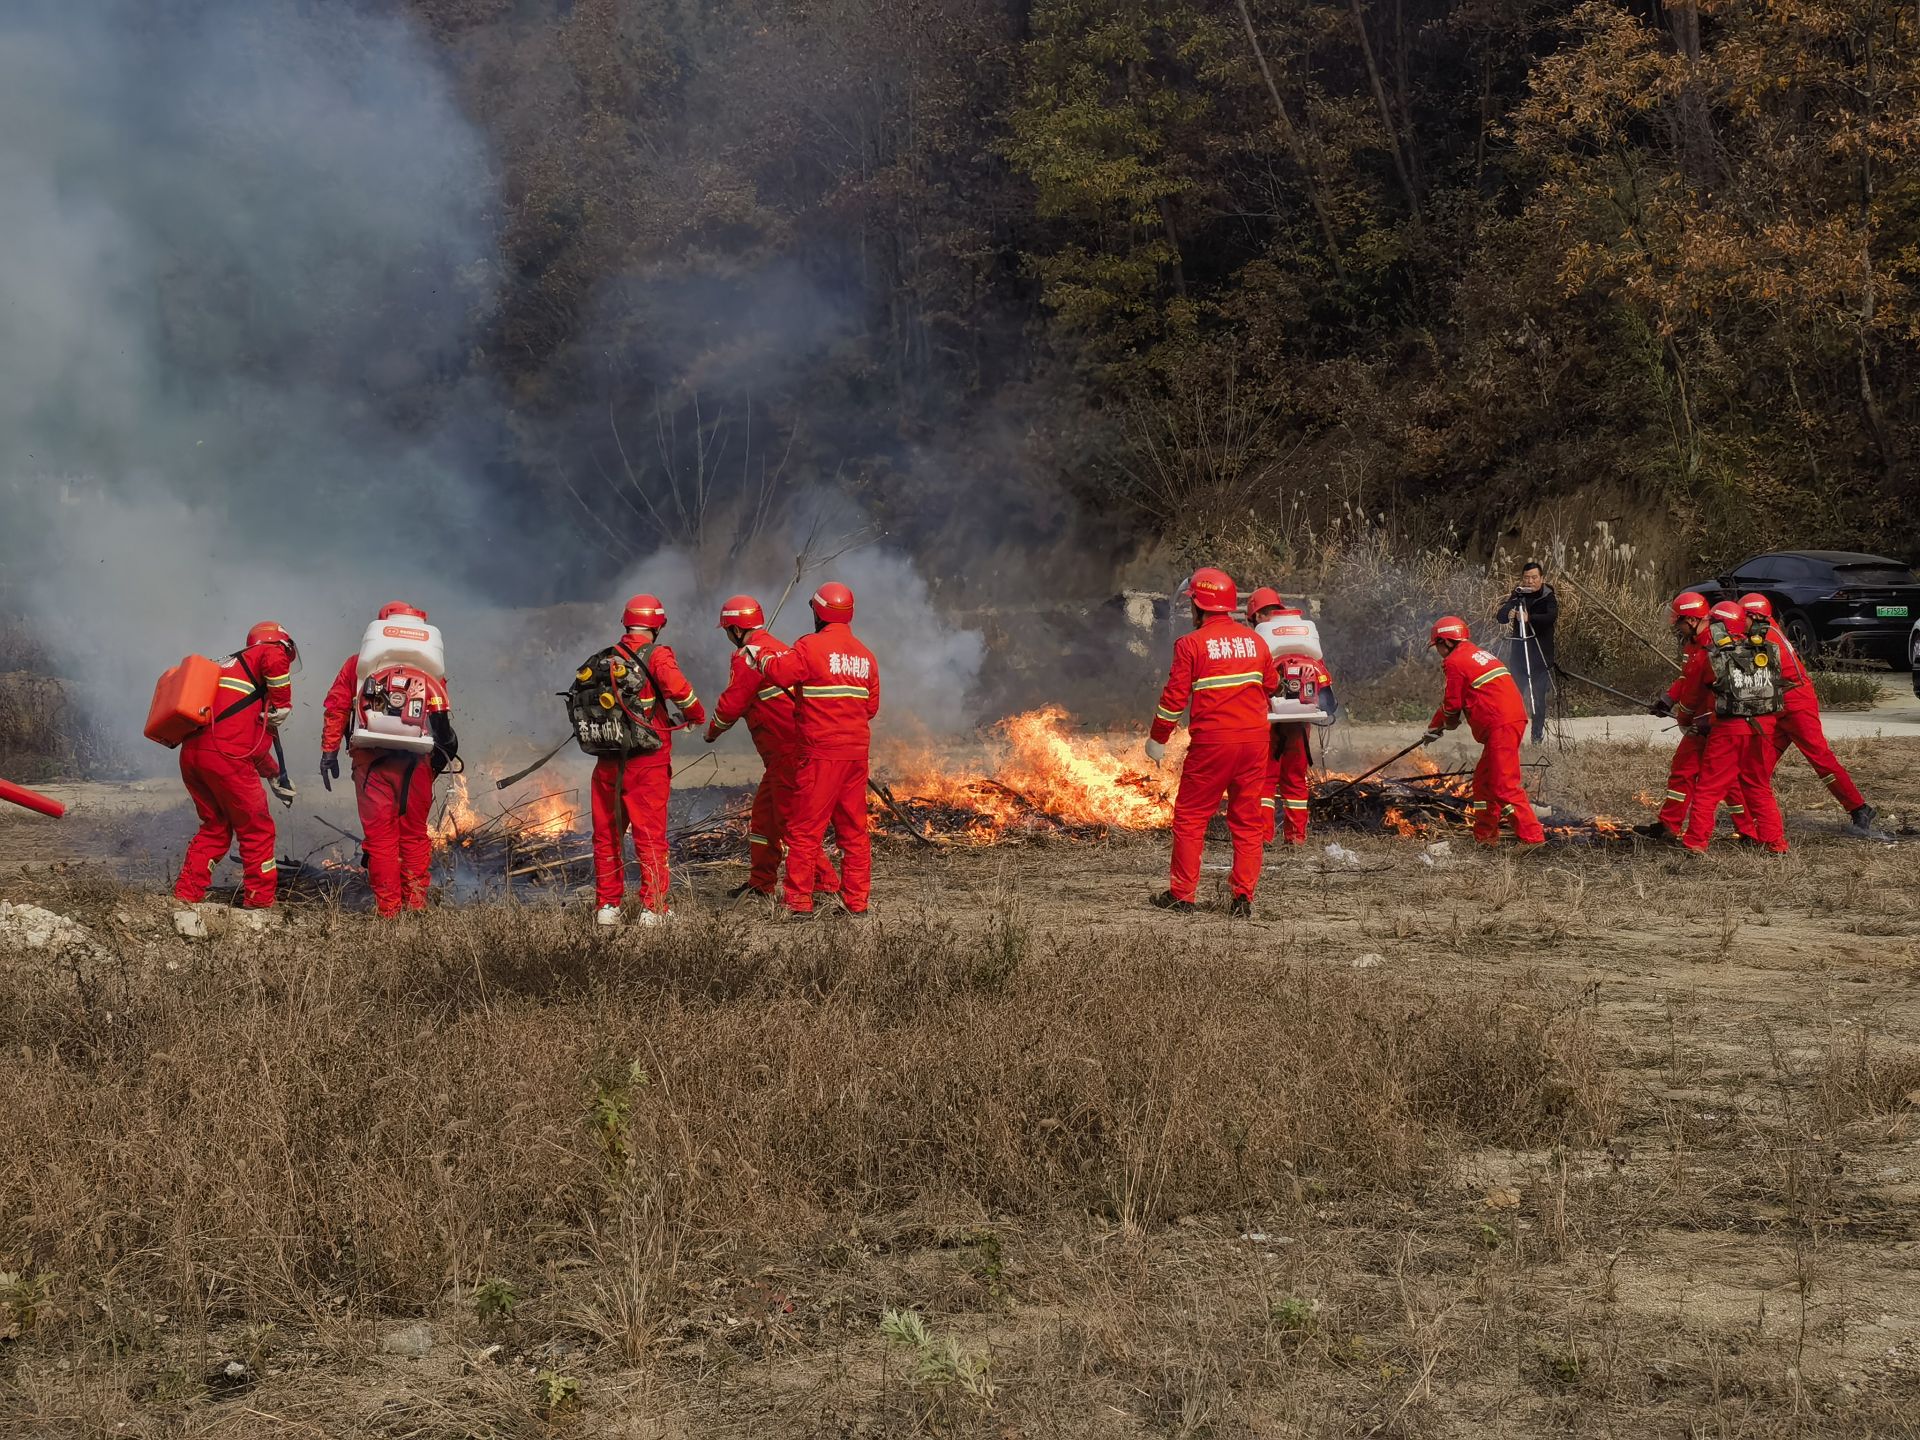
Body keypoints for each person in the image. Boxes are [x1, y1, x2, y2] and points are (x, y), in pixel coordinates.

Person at [1145, 568, 1279, 916]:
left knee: (1191, 817)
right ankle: (1243, 899)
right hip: (1254, 743)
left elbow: (1173, 699)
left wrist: (1157, 739)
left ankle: (1182, 896)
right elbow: (1272, 684)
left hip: (1213, 745)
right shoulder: (1257, 642)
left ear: (1199, 606)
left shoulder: (1190, 644)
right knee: (1248, 821)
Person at [320, 602, 459, 917]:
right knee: (413, 835)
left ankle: (389, 912)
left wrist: (329, 750)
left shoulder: (357, 665)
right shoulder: (430, 669)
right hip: (417, 763)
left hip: (370, 760)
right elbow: (441, 718)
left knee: (380, 838)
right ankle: (415, 907)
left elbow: (337, 707)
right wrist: (441, 757)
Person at [754, 582, 878, 919]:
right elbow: (871, 709)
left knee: (804, 829)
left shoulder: (809, 647)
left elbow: (780, 672)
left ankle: (798, 903)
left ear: (818, 611)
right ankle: (856, 903)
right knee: (853, 831)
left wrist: (760, 656)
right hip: (855, 755)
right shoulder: (866, 656)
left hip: (820, 754)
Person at [706, 594, 841, 903]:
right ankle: (761, 882)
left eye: (727, 629)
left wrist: (711, 732)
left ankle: (826, 885)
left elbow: (732, 703)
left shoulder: (748, 656)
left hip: (787, 753)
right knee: (764, 819)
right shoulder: (778, 647)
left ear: (737, 629)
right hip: (785, 754)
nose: (727, 636)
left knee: (790, 821)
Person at [589, 594, 705, 926]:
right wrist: (695, 715)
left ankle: (607, 908)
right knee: (650, 835)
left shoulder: (607, 657)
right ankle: (653, 910)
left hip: (608, 760)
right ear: (658, 625)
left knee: (607, 834)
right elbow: (682, 692)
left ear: (626, 622)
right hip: (647, 762)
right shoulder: (657, 655)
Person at [173, 621, 298, 910]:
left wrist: (275, 775)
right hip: (225, 757)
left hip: (193, 755)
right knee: (257, 829)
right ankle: (259, 902)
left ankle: (186, 895)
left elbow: (245, 742)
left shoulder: (227, 667)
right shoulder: (267, 653)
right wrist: (284, 703)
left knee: (215, 827)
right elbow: (274, 657)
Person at [1734, 593, 1874, 836]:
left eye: (1741, 617)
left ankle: (1859, 809)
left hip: (1796, 702)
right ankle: (1755, 818)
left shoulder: (1765, 639)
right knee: (1755, 766)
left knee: (1820, 758)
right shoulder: (1764, 631)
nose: (1737, 622)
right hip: (1779, 704)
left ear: (1755, 616)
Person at [1671, 600, 1786, 854]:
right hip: (1764, 728)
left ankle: (1696, 843)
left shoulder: (1711, 654)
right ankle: (1776, 843)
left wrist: (1685, 720)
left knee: (1709, 788)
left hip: (1728, 730)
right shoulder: (1764, 649)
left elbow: (1691, 696)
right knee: (1758, 785)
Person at [1423, 616, 1545, 849]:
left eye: (1437, 645)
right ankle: (1485, 837)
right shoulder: (1475, 654)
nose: (1437, 650)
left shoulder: (1455, 661)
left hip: (1501, 724)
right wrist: (1435, 726)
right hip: (1508, 720)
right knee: (1484, 782)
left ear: (1445, 641)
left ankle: (1532, 839)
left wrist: (1441, 726)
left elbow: (1452, 704)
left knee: (1504, 785)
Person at [1638, 591, 1715, 840]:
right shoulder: (1694, 644)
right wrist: (1667, 700)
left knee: (1728, 781)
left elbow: (1702, 690)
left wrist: (1689, 718)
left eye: (1679, 623)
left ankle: (1750, 830)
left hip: (1712, 721)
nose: (1677, 629)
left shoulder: (1711, 645)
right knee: (1684, 770)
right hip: (1704, 721)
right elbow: (1686, 678)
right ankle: (1669, 825)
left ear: (1691, 621)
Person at [1494, 560, 1558, 744]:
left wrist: (1529, 618)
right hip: (1519, 658)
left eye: (1534, 578)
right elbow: (1501, 616)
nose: (1530, 581)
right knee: (1513, 698)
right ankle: (1510, 737)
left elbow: (1550, 617)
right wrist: (1509, 613)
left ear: (1542, 578)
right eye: (1526, 578)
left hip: (1540, 656)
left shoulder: (1548, 596)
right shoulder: (1518, 594)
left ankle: (1536, 737)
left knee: (1538, 700)